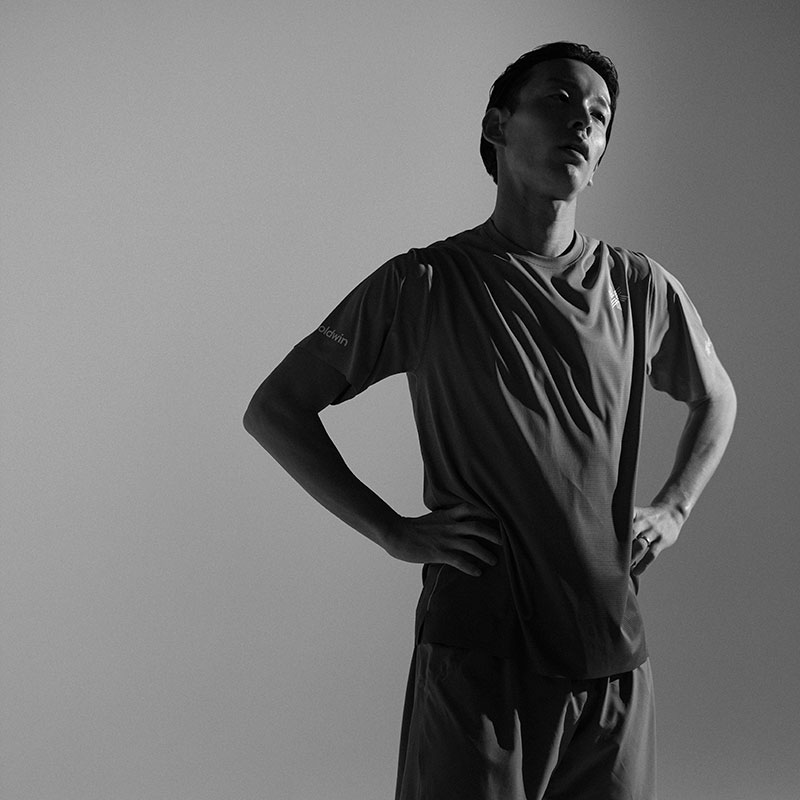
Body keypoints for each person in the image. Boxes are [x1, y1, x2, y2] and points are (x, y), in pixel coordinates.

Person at [244, 41, 736, 800]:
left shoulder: (639, 287)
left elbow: (716, 397)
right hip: (478, 654)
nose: (583, 123)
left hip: (612, 658)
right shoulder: (424, 282)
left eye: (600, 115)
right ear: (497, 126)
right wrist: (391, 530)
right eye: (559, 101)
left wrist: (674, 507)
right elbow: (276, 409)